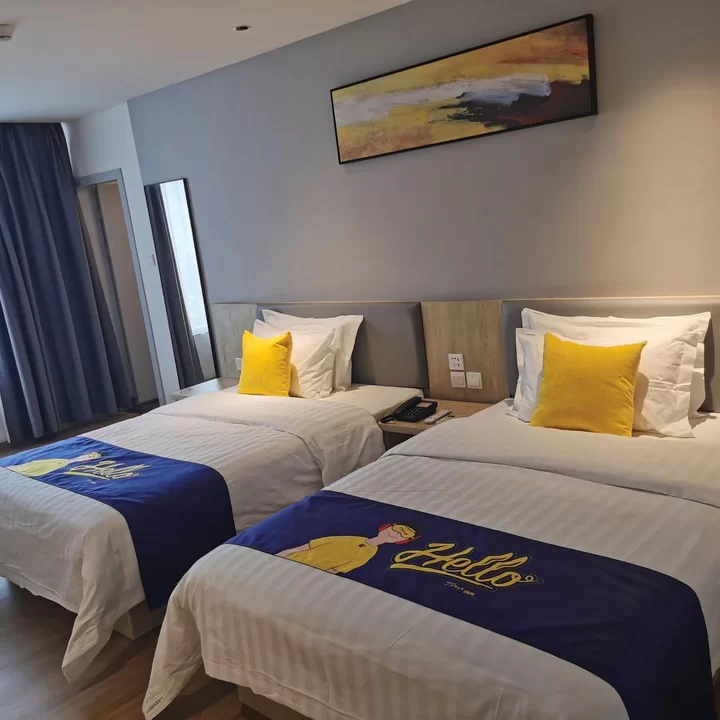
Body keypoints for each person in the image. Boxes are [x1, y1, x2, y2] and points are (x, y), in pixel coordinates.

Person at [276, 523, 418, 574]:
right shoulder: (352, 539)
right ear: (386, 527)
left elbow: (336, 570)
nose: (395, 534)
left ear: (401, 541)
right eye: (397, 529)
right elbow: (307, 546)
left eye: (402, 535)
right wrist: (281, 555)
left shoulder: (369, 553)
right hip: (294, 559)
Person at [8, 452, 102, 478]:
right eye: (89, 455)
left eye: (90, 457)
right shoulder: (63, 461)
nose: (86, 457)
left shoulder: (65, 463)